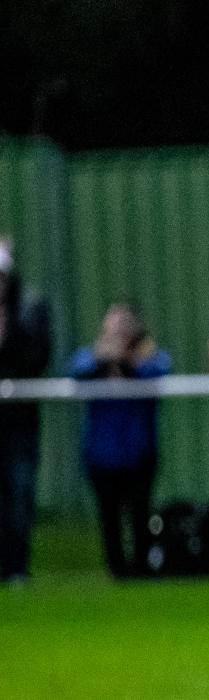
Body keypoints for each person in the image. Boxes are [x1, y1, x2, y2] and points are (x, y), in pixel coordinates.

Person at [69, 302, 172, 578]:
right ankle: (116, 569)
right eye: (113, 323)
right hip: (103, 455)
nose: (118, 330)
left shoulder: (148, 356)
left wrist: (128, 360)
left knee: (140, 513)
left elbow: (161, 369)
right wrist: (103, 358)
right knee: (109, 516)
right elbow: (76, 370)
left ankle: (142, 567)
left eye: (124, 324)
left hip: (138, 452)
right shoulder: (92, 357)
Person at [0, 241, 50, 585]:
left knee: (19, 495)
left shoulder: (30, 308)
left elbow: (37, 358)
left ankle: (17, 567)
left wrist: (10, 334)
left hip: (19, 422)